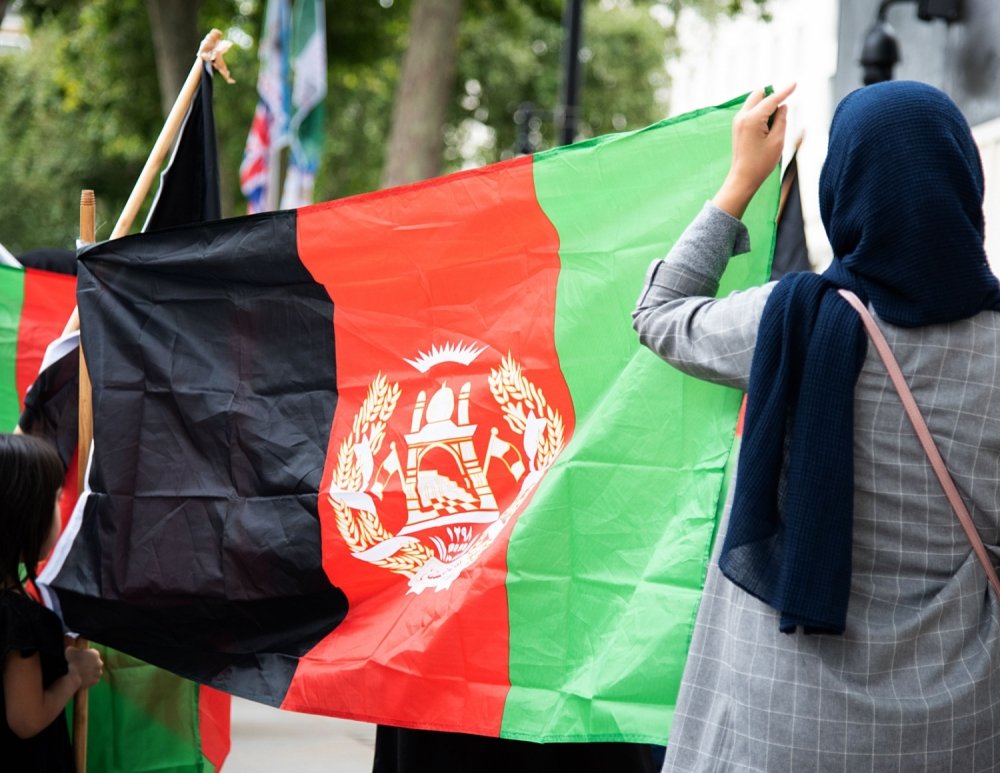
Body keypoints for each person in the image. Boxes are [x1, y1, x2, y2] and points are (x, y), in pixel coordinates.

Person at [634, 80, 1000, 771]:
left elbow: (659, 312)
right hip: (958, 728)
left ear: (843, 188)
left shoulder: (786, 321)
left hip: (782, 723)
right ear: (964, 184)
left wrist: (744, 178)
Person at [1, 433, 103, 771]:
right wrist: (75, 675)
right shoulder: (17, 617)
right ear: (25, 516)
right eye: (56, 500)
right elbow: (26, 719)